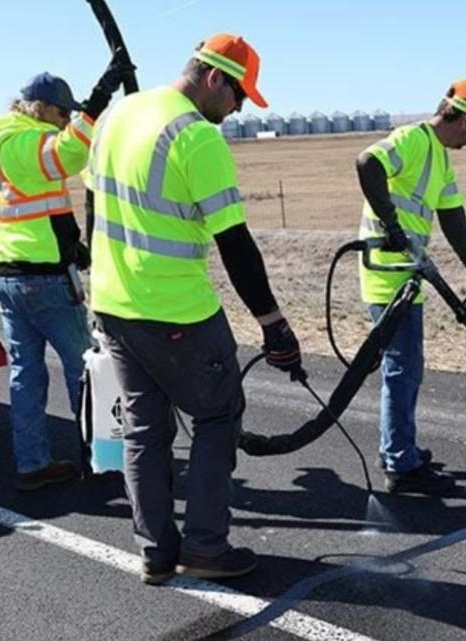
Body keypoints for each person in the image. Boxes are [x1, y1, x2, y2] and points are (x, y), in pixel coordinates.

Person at [88, 33, 302, 584]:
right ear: (213, 78)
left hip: (113, 304)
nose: (236, 110)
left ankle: (155, 553)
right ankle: (205, 546)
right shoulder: (195, 137)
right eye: (238, 97)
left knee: (143, 430)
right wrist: (273, 324)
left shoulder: (117, 116)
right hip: (177, 311)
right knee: (216, 415)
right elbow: (235, 242)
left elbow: (95, 203)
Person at [0, 62, 125, 491]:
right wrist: (96, 103)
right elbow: (69, 154)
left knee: (26, 375)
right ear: (41, 108)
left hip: (9, 278)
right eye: (62, 114)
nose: (64, 122)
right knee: (86, 372)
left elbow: (34, 208)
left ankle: (32, 463)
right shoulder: (26, 141)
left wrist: (68, 243)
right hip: (46, 282)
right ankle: (103, 462)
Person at [355, 79, 466, 496]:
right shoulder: (412, 140)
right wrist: (391, 225)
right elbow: (367, 163)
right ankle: (400, 463)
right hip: (388, 272)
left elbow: (455, 223)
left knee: (405, 367)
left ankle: (399, 448)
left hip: (409, 274)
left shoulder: (440, 159)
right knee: (402, 369)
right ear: (463, 119)